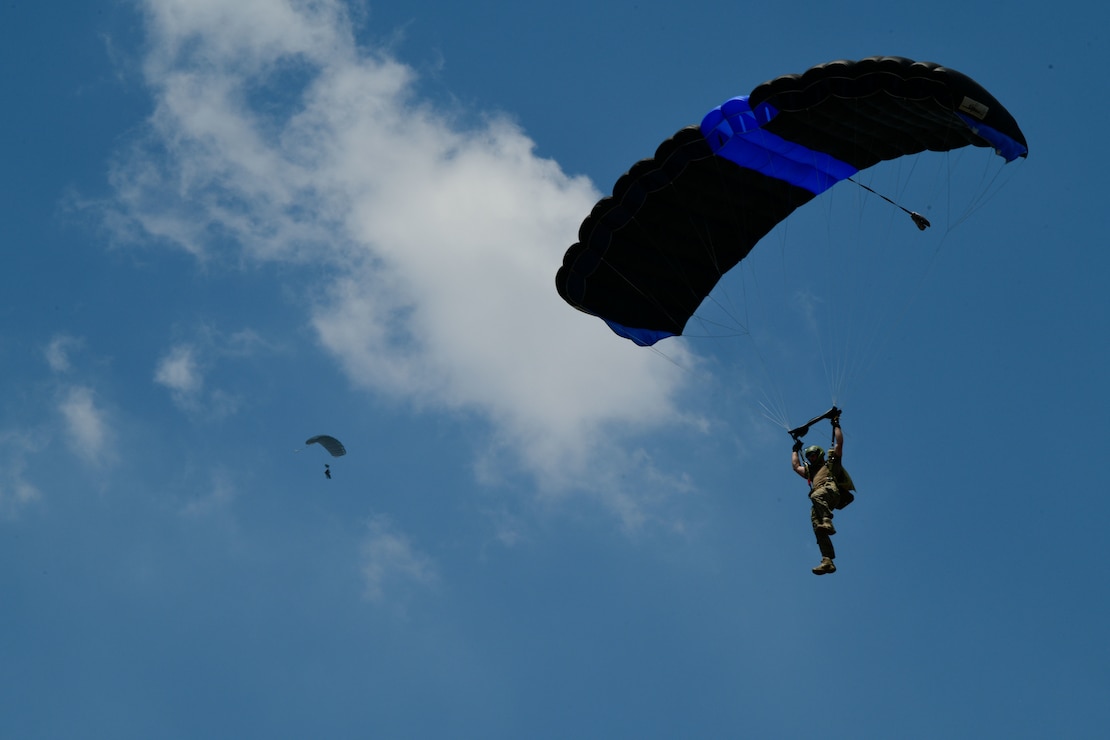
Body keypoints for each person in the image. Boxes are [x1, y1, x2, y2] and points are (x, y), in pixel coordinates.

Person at [791, 411, 852, 575]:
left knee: (815, 496)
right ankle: (827, 560)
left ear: (819, 454)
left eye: (813, 455)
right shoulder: (810, 472)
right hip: (821, 501)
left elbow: (839, 443)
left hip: (830, 492)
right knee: (817, 528)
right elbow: (796, 467)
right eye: (808, 455)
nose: (810, 458)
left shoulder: (831, 464)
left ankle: (827, 521)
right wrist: (795, 450)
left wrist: (836, 425)